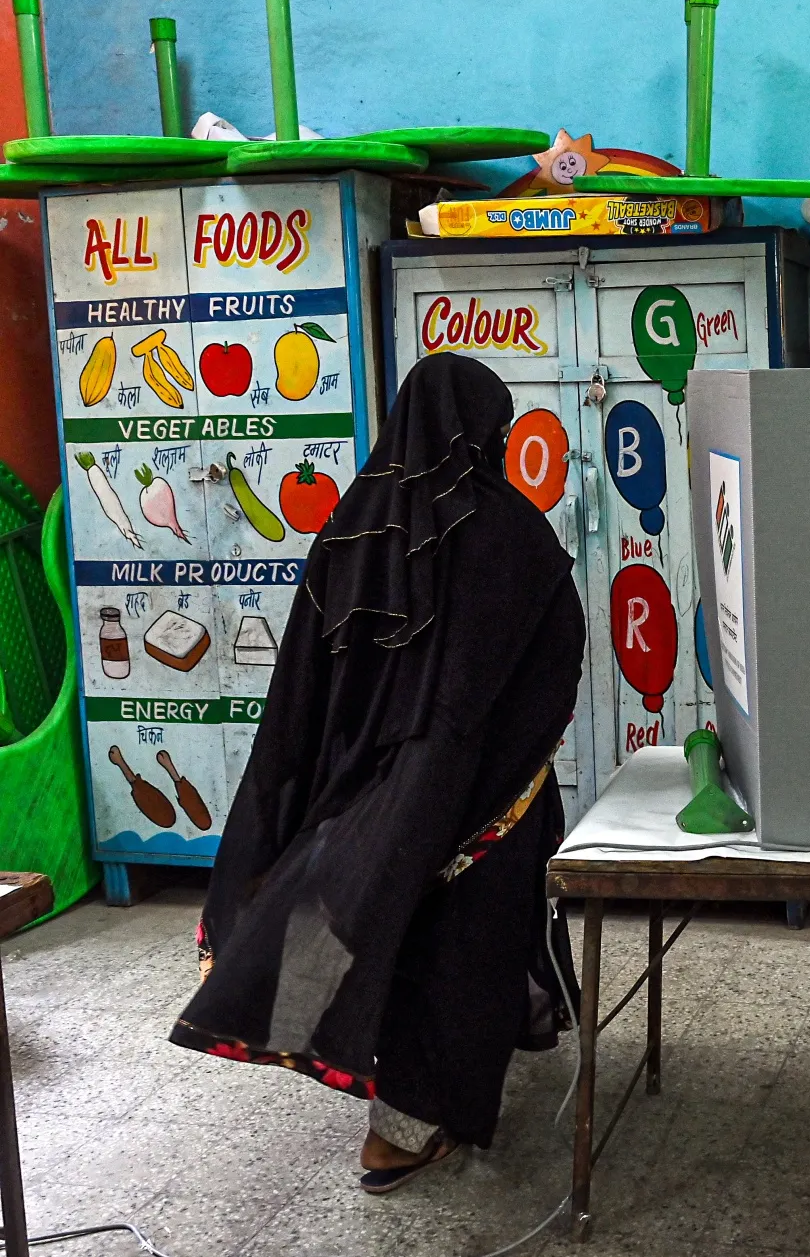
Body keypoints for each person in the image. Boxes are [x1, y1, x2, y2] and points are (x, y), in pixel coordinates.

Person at [170, 353, 586, 1193]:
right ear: (486, 433)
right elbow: (559, 661)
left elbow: (299, 688)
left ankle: (381, 1096)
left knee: (371, 924)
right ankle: (405, 1130)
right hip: (482, 809)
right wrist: (496, 776)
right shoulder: (515, 534)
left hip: (361, 803)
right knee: (463, 952)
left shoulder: (348, 530)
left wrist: (316, 799)